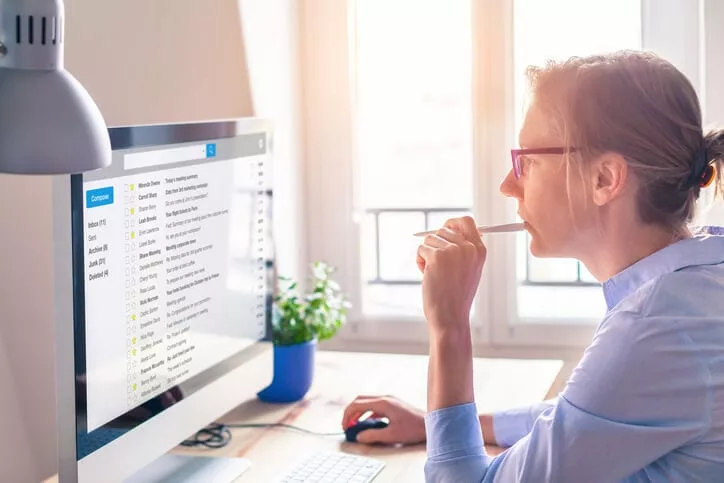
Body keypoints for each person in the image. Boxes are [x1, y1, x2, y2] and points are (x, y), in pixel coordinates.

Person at [342, 50, 724, 482]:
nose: (508, 186)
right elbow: (587, 416)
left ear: (605, 179)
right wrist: (439, 425)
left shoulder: (657, 327)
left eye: (528, 162)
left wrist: (449, 326)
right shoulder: (697, 284)